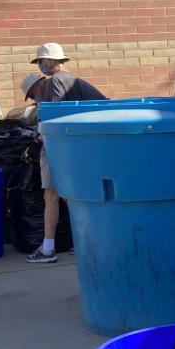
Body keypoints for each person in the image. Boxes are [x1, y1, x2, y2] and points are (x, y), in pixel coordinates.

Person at [25, 43, 106, 265]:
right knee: (69, 194)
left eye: (42, 62)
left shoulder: (56, 81)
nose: (41, 66)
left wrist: (40, 135)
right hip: (78, 146)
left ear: (52, 61)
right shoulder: (75, 81)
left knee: (51, 193)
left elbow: (57, 116)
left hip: (59, 146)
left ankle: (48, 248)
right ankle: (85, 241)